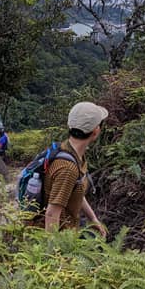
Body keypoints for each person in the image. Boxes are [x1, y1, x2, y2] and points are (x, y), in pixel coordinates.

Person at [44, 101, 109, 236]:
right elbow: (51, 214)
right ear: (96, 131)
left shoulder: (72, 153)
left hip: (69, 231)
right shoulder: (67, 168)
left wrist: (93, 219)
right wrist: (52, 254)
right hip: (60, 236)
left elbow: (74, 189)